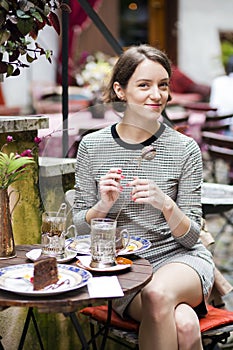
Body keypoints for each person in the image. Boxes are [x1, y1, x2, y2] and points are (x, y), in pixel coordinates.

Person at [73, 44, 215, 350]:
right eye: (144, 85)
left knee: (158, 294)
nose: (157, 95)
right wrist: (103, 205)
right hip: (126, 272)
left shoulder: (184, 149)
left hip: (181, 261)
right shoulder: (91, 147)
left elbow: (192, 237)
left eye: (163, 85)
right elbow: (78, 232)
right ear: (120, 91)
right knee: (184, 323)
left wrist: (165, 204)